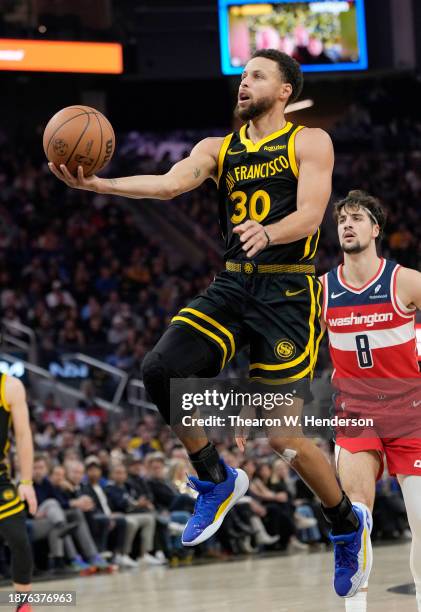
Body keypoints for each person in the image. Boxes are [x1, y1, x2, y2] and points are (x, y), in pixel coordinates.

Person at [49, 49, 365, 594]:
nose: (244, 84)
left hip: (288, 291)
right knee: (159, 369)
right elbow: (170, 184)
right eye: (242, 77)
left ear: (285, 90)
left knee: (282, 434)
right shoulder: (218, 149)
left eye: (257, 76)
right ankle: (215, 479)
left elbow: (314, 213)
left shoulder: (309, 140)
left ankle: (344, 523)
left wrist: (271, 231)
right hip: (235, 283)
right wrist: (102, 187)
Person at [322, 190, 421, 609]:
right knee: (357, 516)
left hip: (410, 412)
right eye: (343, 218)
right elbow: (286, 350)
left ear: (375, 229)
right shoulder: (322, 290)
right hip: (357, 411)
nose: (348, 223)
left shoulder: (405, 281)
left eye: (357, 217)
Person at [0, 375, 37, 612]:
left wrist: (26, 481)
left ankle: (23, 606)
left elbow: (23, 436)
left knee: (20, 541)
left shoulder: (9, 386)